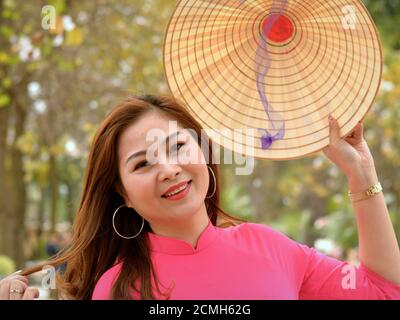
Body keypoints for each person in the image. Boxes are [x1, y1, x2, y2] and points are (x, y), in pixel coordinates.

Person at [0, 94, 399, 300]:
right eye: (142, 164)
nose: (169, 169)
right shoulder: (117, 287)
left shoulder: (272, 247)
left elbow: (384, 291)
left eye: (177, 147)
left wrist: (360, 173)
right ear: (122, 193)